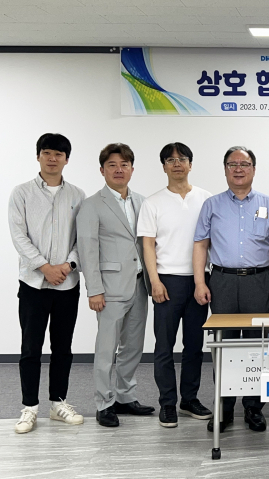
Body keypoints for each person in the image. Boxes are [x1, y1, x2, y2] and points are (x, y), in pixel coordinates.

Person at [193, 146, 269, 434]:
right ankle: (223, 407)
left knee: (258, 347)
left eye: (244, 164)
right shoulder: (212, 205)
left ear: (253, 169)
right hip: (221, 281)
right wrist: (200, 282)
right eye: (232, 164)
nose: (238, 169)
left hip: (258, 281)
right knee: (224, 346)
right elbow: (201, 244)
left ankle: (253, 407)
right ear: (225, 170)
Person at [9, 133, 85, 433]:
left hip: (67, 283)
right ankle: (29, 408)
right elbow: (18, 236)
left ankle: (58, 404)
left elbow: (83, 239)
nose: (52, 158)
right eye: (47, 152)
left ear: (67, 159)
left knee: (63, 348)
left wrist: (67, 266)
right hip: (33, 284)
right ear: (38, 156)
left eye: (58, 154)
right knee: (30, 348)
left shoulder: (78, 195)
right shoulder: (21, 193)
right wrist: (44, 267)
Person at [76, 143, 154, 428]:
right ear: (102, 170)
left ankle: (125, 396)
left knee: (133, 346)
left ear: (132, 169)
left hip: (139, 285)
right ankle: (104, 402)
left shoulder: (142, 202)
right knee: (106, 349)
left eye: (124, 164)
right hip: (109, 289)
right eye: (112, 165)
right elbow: (87, 250)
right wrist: (94, 289)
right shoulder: (92, 205)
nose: (119, 169)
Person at [137, 143, 213, 428]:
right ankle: (167, 403)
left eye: (182, 159)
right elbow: (147, 245)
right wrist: (154, 281)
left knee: (194, 346)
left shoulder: (206, 199)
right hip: (166, 281)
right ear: (164, 167)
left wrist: (204, 279)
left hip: (199, 281)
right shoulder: (152, 203)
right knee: (164, 347)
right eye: (170, 160)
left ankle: (189, 399)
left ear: (190, 164)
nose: (177, 164)